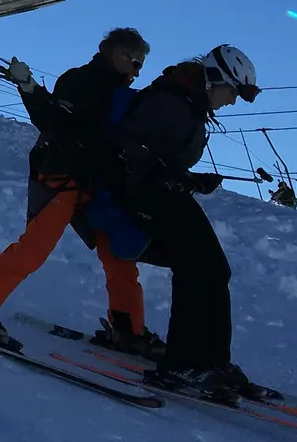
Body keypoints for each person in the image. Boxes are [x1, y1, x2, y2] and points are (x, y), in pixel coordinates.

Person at [0, 28, 164, 357]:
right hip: (63, 174)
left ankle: (127, 328)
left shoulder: (119, 93)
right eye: (135, 63)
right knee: (35, 246)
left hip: (95, 184)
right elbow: (52, 119)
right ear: (117, 54)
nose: (137, 72)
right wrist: (29, 88)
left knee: (119, 256)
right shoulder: (80, 81)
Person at [106, 44, 268, 402]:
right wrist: (168, 176)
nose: (232, 101)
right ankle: (183, 362)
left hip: (164, 192)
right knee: (196, 267)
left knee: (215, 269)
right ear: (214, 80)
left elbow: (162, 155)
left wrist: (190, 179)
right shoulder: (169, 100)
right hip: (144, 195)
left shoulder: (189, 103)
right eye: (232, 92)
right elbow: (128, 147)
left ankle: (212, 361)